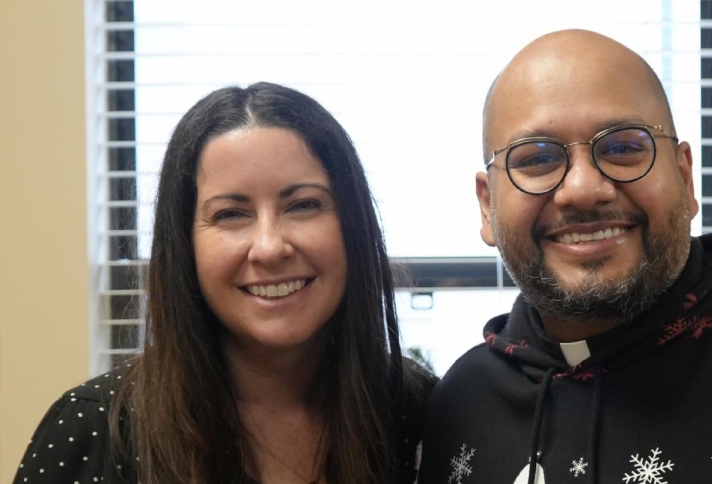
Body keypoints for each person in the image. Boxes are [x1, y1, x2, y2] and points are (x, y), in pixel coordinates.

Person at [417, 30, 712, 484]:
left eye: (623, 148)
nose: (583, 189)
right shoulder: (455, 408)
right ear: (488, 205)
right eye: (536, 159)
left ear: (687, 179)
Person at [14, 82, 434, 484]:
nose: (269, 248)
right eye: (230, 214)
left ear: (354, 227)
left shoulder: (421, 414)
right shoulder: (94, 427)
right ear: (185, 244)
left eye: (304, 205)